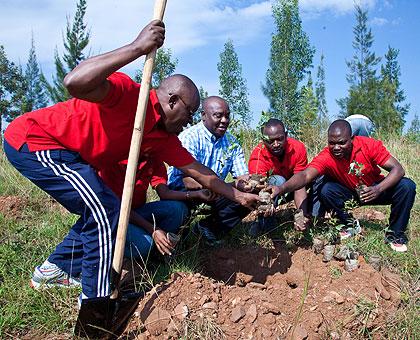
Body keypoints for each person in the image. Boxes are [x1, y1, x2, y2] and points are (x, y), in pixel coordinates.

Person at [3, 20, 260, 303]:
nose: (188, 123)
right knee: (104, 208)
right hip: (37, 141)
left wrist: (237, 196)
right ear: (173, 101)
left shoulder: (160, 138)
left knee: (104, 207)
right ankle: (97, 300)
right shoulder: (129, 95)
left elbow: (200, 173)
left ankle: (53, 272)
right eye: (189, 114)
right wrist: (137, 47)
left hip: (74, 159)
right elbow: (74, 82)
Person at [269, 120, 416, 252]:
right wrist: (281, 188)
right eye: (331, 143)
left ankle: (395, 235)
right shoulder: (327, 156)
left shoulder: (368, 145)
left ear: (352, 139)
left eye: (341, 142)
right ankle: (350, 224)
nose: (336, 147)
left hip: (376, 189)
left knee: (407, 186)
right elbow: (305, 175)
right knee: (326, 190)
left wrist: (378, 189)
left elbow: (398, 169)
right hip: (351, 194)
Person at [167, 96, 251, 245]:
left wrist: (247, 185)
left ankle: (208, 228)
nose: (224, 120)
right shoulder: (189, 137)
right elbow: (186, 179)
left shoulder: (232, 143)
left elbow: (242, 176)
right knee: (181, 240)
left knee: (249, 193)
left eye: (227, 116)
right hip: (183, 192)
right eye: (218, 115)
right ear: (204, 116)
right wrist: (217, 187)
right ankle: (180, 234)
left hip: (214, 191)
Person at [248, 119, 311, 235]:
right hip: (270, 192)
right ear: (263, 140)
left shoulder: (298, 148)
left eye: (280, 139)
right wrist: (266, 206)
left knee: (313, 177)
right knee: (278, 180)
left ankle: (310, 215)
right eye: (271, 141)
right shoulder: (257, 156)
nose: (276, 144)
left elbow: (300, 182)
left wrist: (301, 214)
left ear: (286, 136)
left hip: (289, 188)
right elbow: (260, 191)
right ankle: (266, 226)